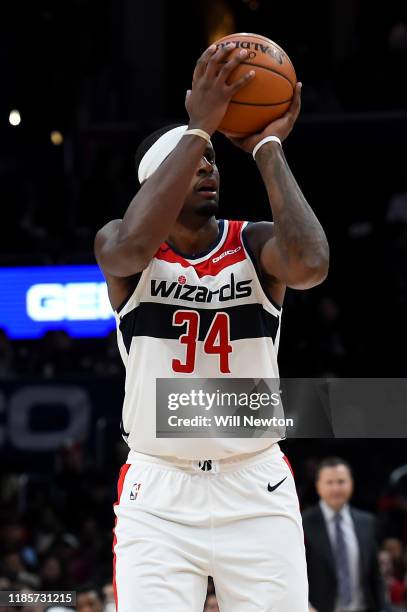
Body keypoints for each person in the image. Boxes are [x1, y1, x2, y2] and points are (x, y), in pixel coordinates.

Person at [95, 42, 329, 611]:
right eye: (191, 158)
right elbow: (128, 247)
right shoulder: (123, 248)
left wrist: (268, 147)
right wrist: (198, 127)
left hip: (254, 484)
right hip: (159, 491)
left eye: (210, 159)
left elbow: (312, 265)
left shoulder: (253, 244)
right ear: (159, 180)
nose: (206, 165)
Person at [302, 457, 389, 612]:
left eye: (341, 481)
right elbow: (294, 573)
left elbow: (375, 576)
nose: (336, 488)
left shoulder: (367, 522)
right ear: (318, 486)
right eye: (329, 482)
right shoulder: (303, 524)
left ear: (351, 483)